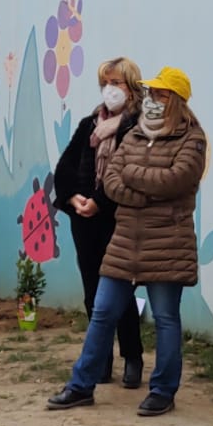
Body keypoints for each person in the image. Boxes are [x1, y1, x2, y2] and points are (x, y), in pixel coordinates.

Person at [47, 67, 208, 416]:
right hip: (125, 241)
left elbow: (176, 180)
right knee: (103, 312)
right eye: (150, 93)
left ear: (177, 100)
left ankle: (163, 390)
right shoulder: (134, 134)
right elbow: (112, 184)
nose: (153, 100)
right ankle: (80, 386)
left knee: (166, 317)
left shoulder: (192, 139)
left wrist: (135, 180)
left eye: (161, 95)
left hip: (167, 243)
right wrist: (145, 189)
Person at [52, 58, 145, 388]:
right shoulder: (89, 124)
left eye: (117, 82)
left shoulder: (139, 128)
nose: (110, 89)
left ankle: (133, 357)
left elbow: (130, 174)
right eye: (105, 82)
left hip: (120, 221)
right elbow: (65, 167)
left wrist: (99, 201)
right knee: (93, 293)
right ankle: (101, 359)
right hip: (85, 222)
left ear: (132, 87)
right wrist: (73, 198)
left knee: (121, 294)